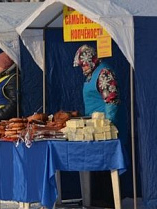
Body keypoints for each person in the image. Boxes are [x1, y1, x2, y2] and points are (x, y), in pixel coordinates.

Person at [73, 44, 120, 208]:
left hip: (104, 127)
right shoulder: (91, 74)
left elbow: (111, 100)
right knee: (95, 163)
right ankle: (94, 197)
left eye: (83, 64)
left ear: (90, 60)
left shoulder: (104, 73)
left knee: (105, 163)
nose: (82, 68)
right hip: (93, 126)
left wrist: (108, 123)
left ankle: (107, 199)